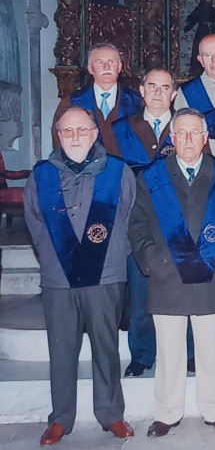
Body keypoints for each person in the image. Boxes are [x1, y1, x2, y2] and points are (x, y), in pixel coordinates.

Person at [128, 108, 215, 437]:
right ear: (172, 138)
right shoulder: (151, 177)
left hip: (212, 274)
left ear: (206, 137)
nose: (189, 139)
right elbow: (136, 225)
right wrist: (150, 261)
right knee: (170, 351)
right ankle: (167, 412)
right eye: (182, 133)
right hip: (167, 277)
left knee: (211, 349)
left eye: (196, 132)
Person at [24, 106, 136, 445]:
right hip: (59, 278)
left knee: (106, 347)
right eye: (67, 131)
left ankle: (111, 414)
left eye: (82, 130)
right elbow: (35, 223)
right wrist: (59, 259)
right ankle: (60, 419)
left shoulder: (118, 171)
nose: (75, 137)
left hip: (105, 276)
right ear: (58, 135)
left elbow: (131, 220)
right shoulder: (41, 174)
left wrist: (111, 256)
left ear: (93, 133)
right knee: (61, 349)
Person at [111, 68, 183, 378]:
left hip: (181, 220)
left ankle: (188, 352)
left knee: (186, 288)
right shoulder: (120, 129)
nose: (157, 92)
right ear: (141, 90)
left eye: (164, 87)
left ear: (174, 93)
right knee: (140, 291)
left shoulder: (188, 125)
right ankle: (142, 354)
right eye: (151, 86)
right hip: (137, 220)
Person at [51, 43, 142, 156]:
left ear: (119, 67)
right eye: (100, 62)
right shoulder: (72, 102)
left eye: (111, 62)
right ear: (90, 68)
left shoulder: (137, 102)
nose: (106, 67)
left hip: (128, 171)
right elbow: (59, 138)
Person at [184, 0, 215, 76]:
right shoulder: (199, 9)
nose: (208, 0)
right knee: (200, 48)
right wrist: (188, 23)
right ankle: (198, 69)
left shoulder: (212, 10)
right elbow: (193, 18)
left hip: (212, 30)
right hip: (202, 31)